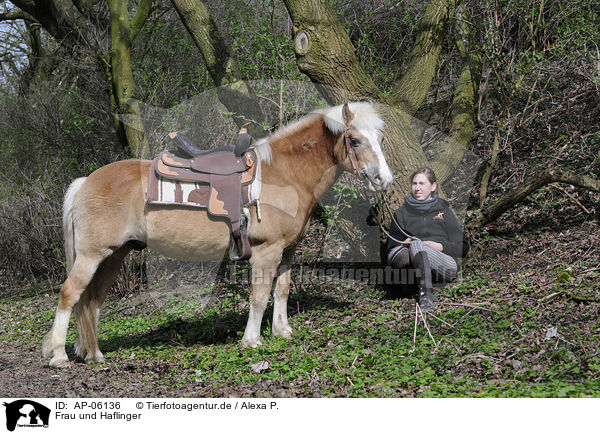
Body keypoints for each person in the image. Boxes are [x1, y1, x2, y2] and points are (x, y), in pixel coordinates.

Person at [387, 167, 469, 311]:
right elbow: (391, 248)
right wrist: (403, 244)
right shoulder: (401, 213)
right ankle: (406, 290)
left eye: (422, 184)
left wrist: (440, 246)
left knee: (417, 245)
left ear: (433, 186)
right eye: (414, 184)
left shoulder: (444, 212)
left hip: (444, 264)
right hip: (411, 262)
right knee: (412, 246)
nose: (417, 188)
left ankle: (426, 295)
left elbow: (463, 248)